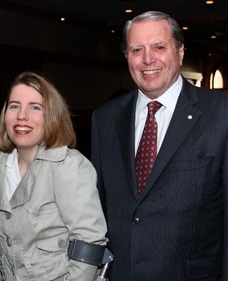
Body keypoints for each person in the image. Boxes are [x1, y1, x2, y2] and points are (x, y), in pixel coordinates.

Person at [91, 10, 228, 281]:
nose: (147, 59)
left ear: (179, 52)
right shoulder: (104, 119)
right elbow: (97, 209)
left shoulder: (221, 113)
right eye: (136, 50)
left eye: (159, 47)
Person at [0, 71, 107, 281]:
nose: (22, 115)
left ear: (51, 116)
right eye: (14, 106)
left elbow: (88, 243)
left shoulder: (68, 166)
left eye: (35, 107)